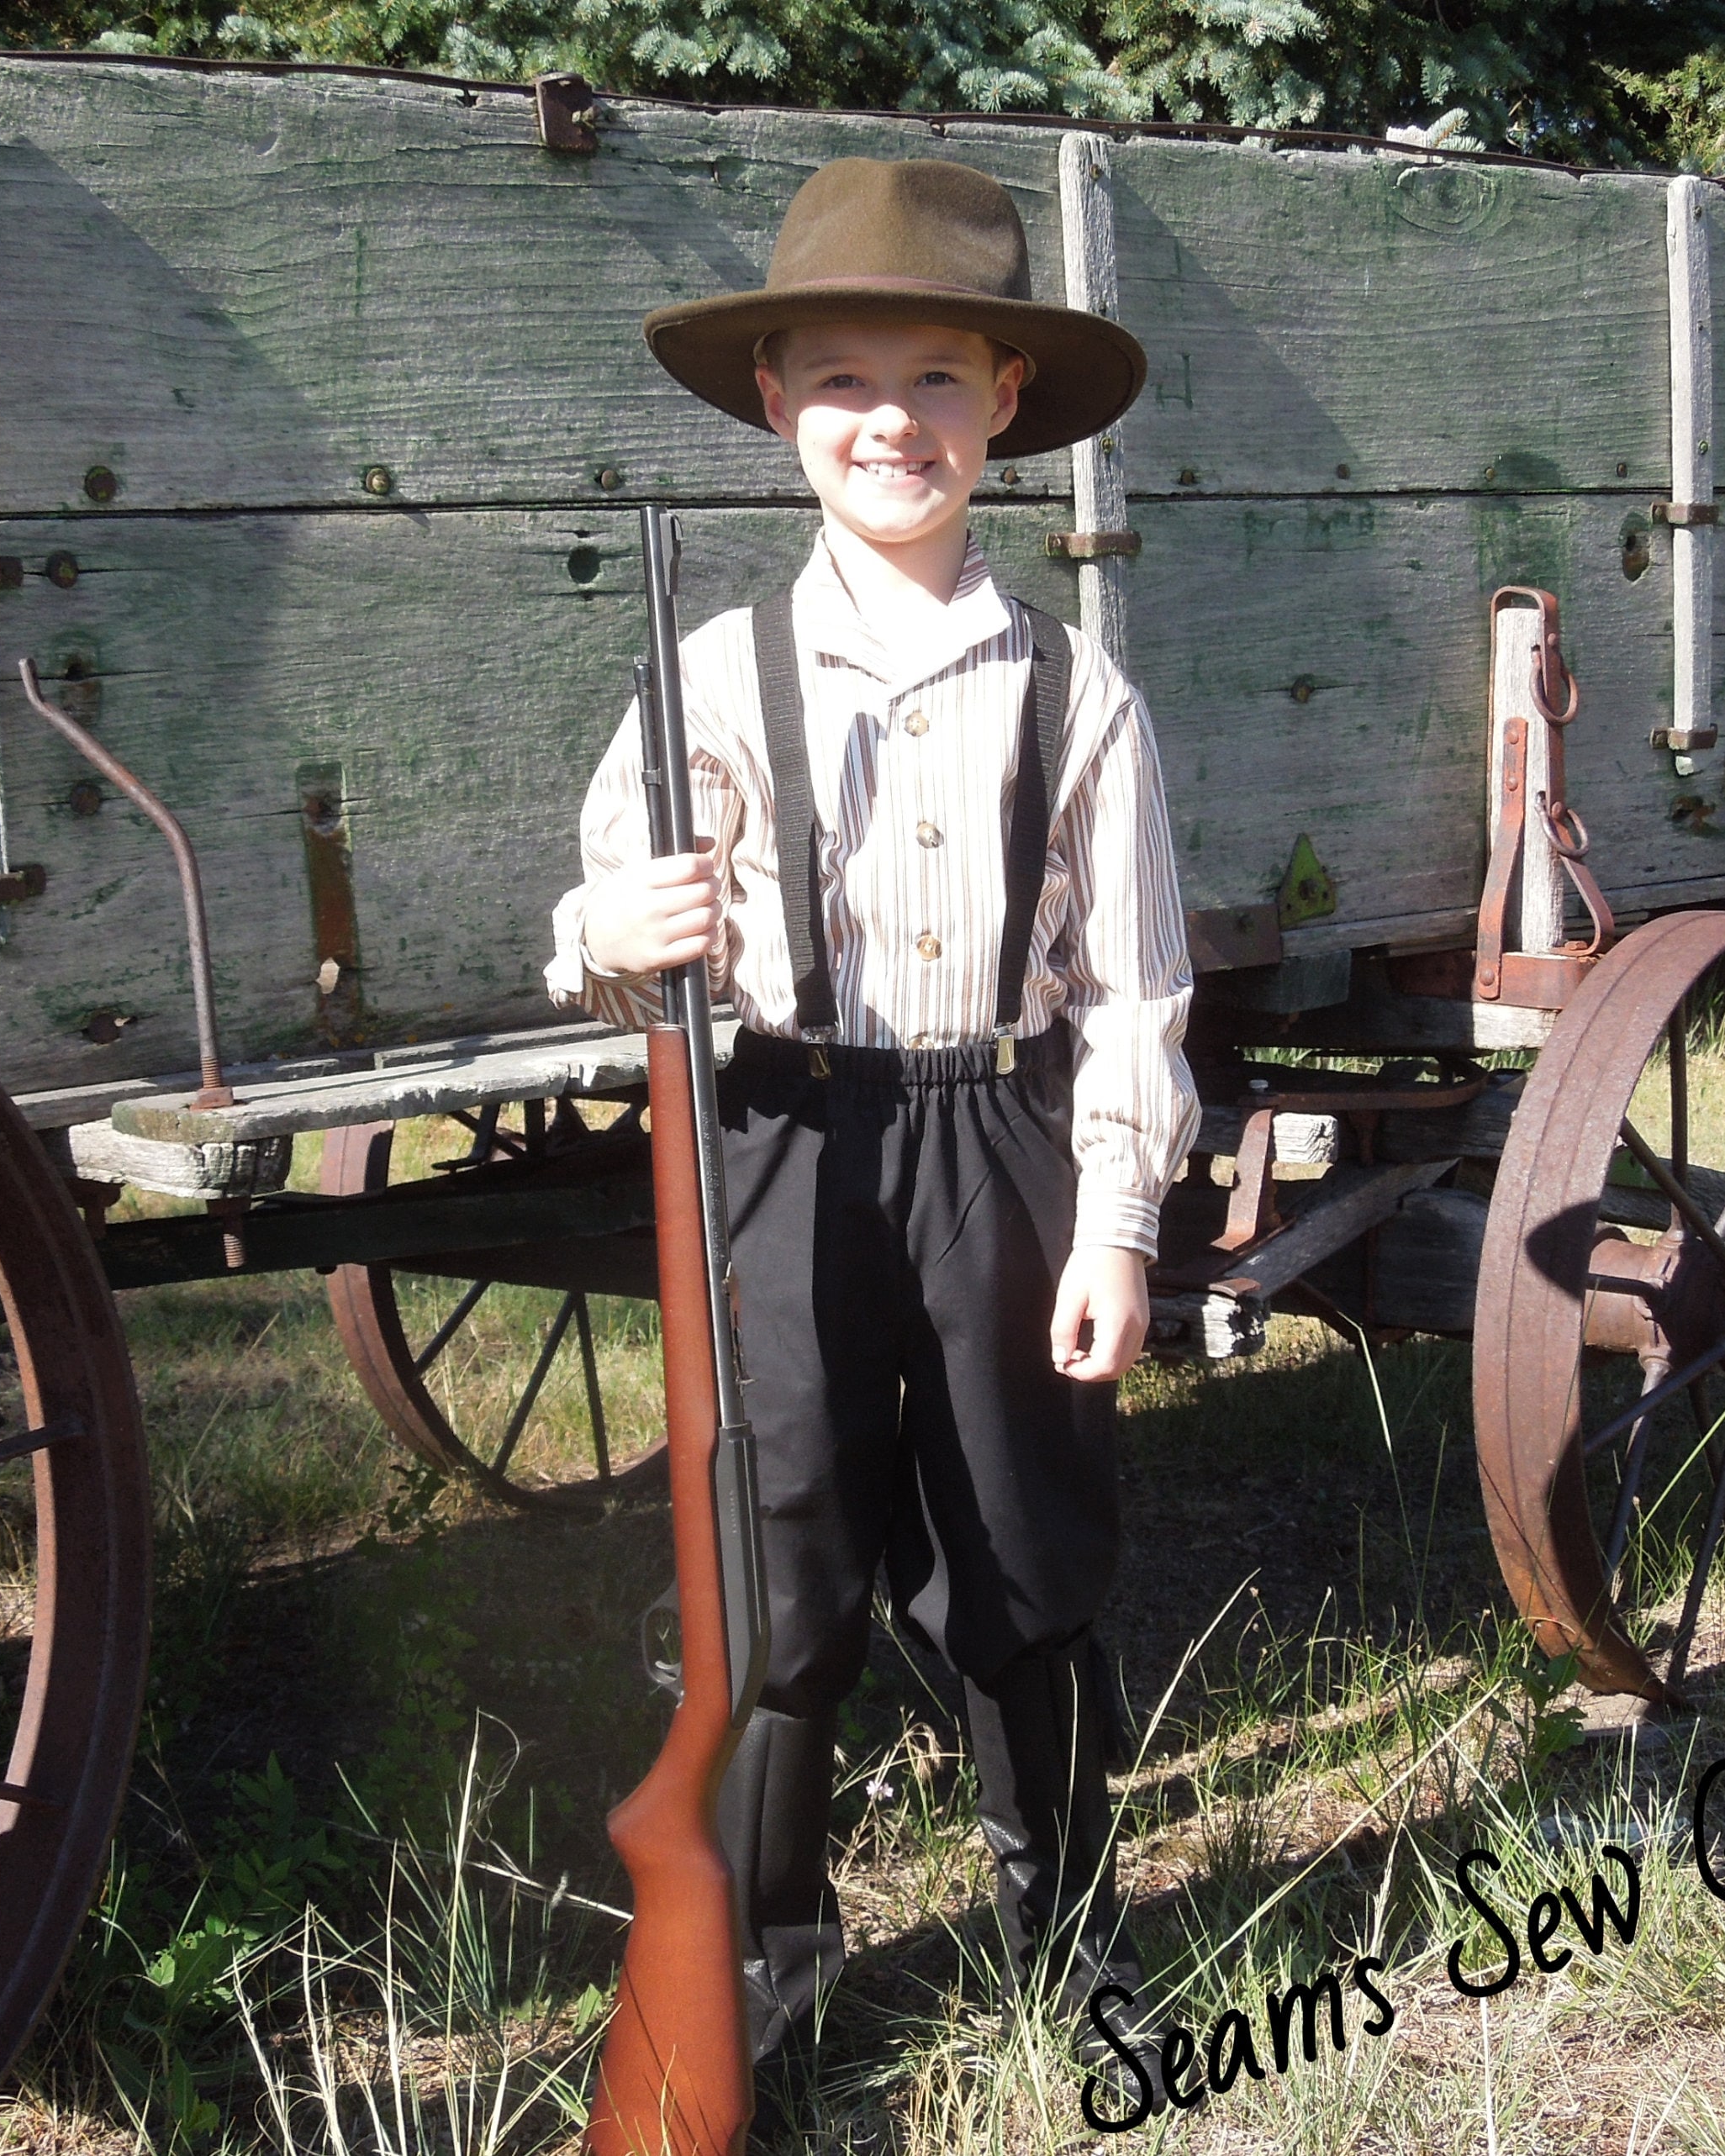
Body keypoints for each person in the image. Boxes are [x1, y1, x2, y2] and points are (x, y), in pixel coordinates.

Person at [544, 156, 1197, 2093]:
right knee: (779, 1563)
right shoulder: (711, 677)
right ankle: (765, 1966)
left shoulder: (1079, 689)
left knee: (1021, 1551)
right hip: (783, 1147)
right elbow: (603, 923)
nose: (887, 420)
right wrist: (615, 933)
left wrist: (1116, 1222)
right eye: (841, 377)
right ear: (776, 404)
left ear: (1006, 399)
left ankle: (1071, 1939)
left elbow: (1137, 989)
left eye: (933, 378)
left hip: (1000, 1144)